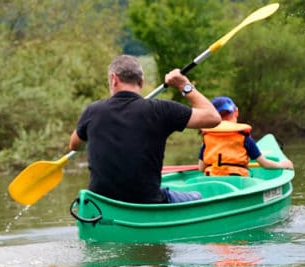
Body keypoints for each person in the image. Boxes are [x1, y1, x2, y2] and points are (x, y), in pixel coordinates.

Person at [68, 55, 221, 204]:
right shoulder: (161, 110)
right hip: (147, 203)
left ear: (113, 79)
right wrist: (184, 85)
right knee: (198, 196)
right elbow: (213, 117)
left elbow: (75, 145)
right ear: (141, 82)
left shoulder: (93, 111)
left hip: (101, 205)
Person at [197, 96, 294, 175]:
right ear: (236, 111)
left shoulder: (207, 136)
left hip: (213, 179)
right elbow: (264, 164)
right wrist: (282, 164)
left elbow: (201, 168)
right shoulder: (243, 136)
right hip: (238, 180)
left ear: (213, 115)